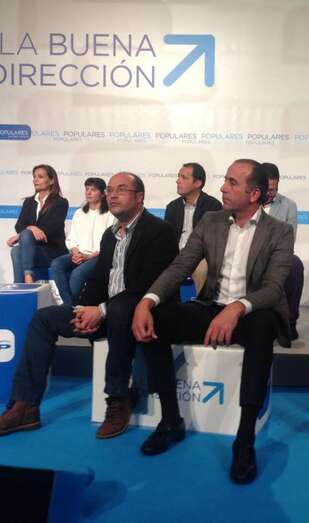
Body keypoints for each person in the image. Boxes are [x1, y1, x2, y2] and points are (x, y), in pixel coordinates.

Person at [132, 159, 293, 484]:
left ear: (254, 193)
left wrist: (237, 308)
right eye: (225, 181)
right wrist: (147, 301)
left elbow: (273, 288)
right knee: (157, 320)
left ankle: (244, 439)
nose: (222, 187)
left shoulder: (280, 231)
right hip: (210, 305)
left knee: (263, 329)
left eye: (232, 183)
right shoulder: (211, 221)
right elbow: (180, 266)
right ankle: (171, 420)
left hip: (252, 311)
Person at [0, 172, 178, 440]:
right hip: (107, 311)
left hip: (141, 313)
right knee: (44, 319)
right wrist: (84, 309)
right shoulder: (110, 235)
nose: (113, 195)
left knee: (119, 310)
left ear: (139, 197)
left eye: (121, 189)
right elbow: (97, 280)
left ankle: (117, 400)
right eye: (110, 190)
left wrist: (101, 310)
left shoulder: (160, 231)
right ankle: (25, 407)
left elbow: (148, 287)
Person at [50, 178, 114, 306]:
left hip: (99, 256)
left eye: (93, 190)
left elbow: (110, 243)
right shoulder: (79, 213)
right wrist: (75, 252)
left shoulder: (110, 214)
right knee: (56, 264)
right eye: (87, 189)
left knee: (77, 274)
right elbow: (71, 238)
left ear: (103, 194)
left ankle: (69, 308)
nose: (88, 192)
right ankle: (70, 306)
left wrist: (88, 256)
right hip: (79, 253)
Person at [164, 162, 222, 294]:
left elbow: (214, 242)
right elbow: (168, 239)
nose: (178, 181)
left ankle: (202, 303)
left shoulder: (213, 206)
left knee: (202, 269)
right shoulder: (172, 207)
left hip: (200, 256)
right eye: (178, 176)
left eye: (184, 177)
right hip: (176, 255)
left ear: (197, 183)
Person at [262, 162, 304, 340]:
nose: (270, 193)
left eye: (274, 189)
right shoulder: (247, 202)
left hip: (277, 255)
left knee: (295, 264)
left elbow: (289, 240)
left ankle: (290, 322)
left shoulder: (289, 205)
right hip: (249, 255)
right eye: (267, 189)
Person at [7, 164, 68, 283]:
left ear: (51, 181)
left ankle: (27, 277)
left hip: (52, 251)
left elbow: (52, 228)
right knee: (16, 250)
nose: (35, 180)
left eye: (40, 177)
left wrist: (25, 233)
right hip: (32, 250)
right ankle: (22, 285)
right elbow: (19, 225)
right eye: (34, 177)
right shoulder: (29, 202)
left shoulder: (60, 202)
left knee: (25, 236)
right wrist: (31, 228)